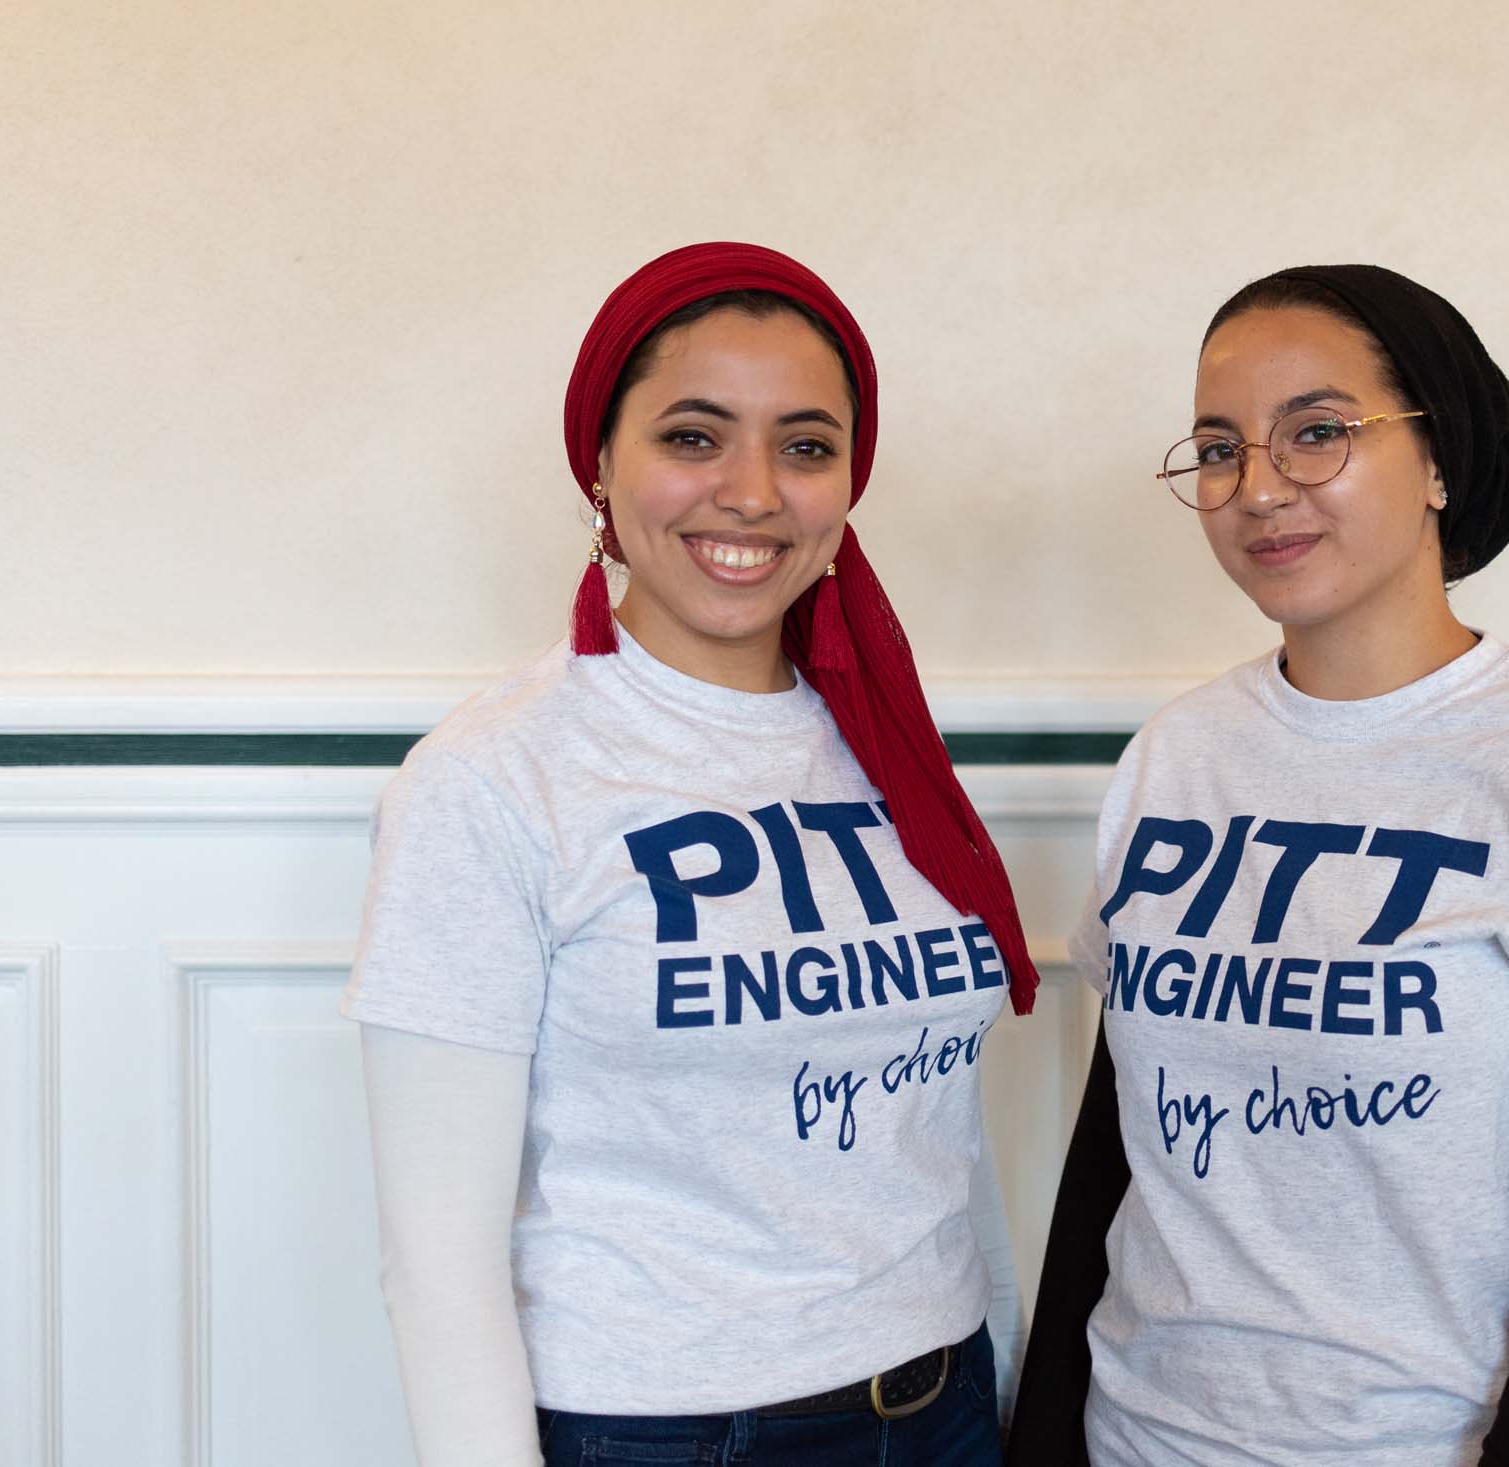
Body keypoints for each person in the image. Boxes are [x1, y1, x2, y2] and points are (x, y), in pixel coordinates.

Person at [1009, 264, 1509, 1467]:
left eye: (1318, 433)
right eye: (1220, 449)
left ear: (1438, 458)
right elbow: (1114, 1143)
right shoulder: (1176, 758)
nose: (1259, 487)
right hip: (1141, 1439)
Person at [342, 242, 1036, 1467]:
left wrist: (1006, 1379)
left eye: (807, 446)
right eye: (694, 437)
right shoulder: (494, 778)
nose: (755, 493)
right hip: (666, 1433)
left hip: (941, 1405)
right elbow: (435, 1263)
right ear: (601, 464)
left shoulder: (880, 741)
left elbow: (934, 1130)